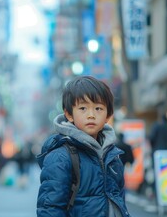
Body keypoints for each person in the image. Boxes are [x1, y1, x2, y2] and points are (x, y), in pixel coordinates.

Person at [37, 76, 130, 216]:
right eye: (83, 108)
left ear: (108, 115)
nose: (91, 115)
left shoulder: (113, 156)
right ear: (69, 114)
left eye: (98, 108)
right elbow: (50, 208)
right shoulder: (61, 157)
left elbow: (119, 201)